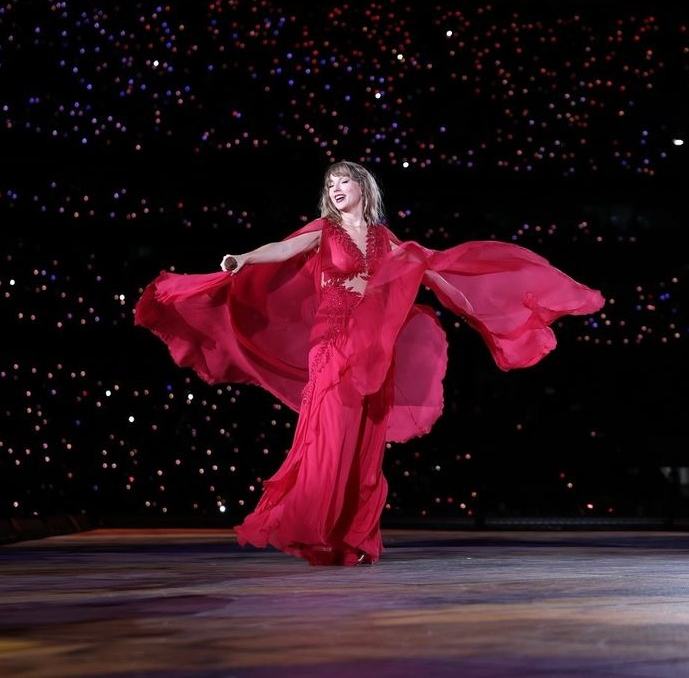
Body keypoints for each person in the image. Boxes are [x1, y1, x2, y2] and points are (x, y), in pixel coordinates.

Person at [135, 160, 604, 566]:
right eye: (331, 182)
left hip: (375, 349)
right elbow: (282, 248)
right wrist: (243, 257)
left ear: (363, 187)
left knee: (365, 439)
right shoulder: (324, 231)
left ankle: (349, 538)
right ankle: (312, 527)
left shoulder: (383, 236)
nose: (336, 187)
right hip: (331, 341)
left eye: (344, 180)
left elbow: (420, 269)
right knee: (330, 431)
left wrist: (481, 308)